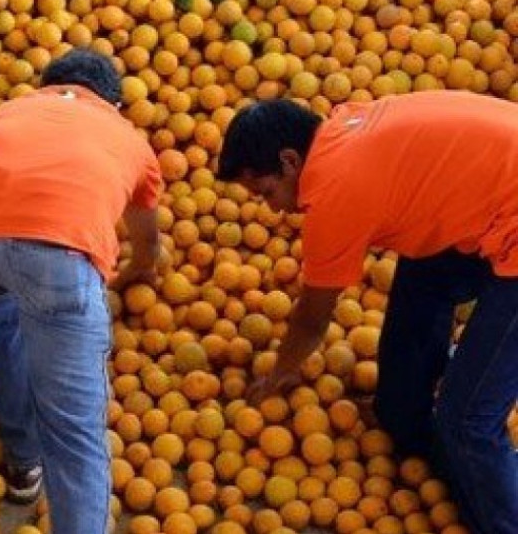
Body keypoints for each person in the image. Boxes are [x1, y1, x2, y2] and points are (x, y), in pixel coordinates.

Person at [217, 90, 518, 534]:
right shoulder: (343, 125)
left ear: (289, 161)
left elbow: (312, 316)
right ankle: (405, 418)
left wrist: (280, 373)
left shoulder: (336, 190)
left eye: (268, 192)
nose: (274, 208)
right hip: (498, 194)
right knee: (424, 274)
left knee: (467, 418)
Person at [0, 47, 164, 534]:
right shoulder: (128, 139)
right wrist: (132, 275)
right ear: (114, 104)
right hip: (55, 255)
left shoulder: (9, 110)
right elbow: (146, 243)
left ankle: (23, 464)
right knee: (75, 433)